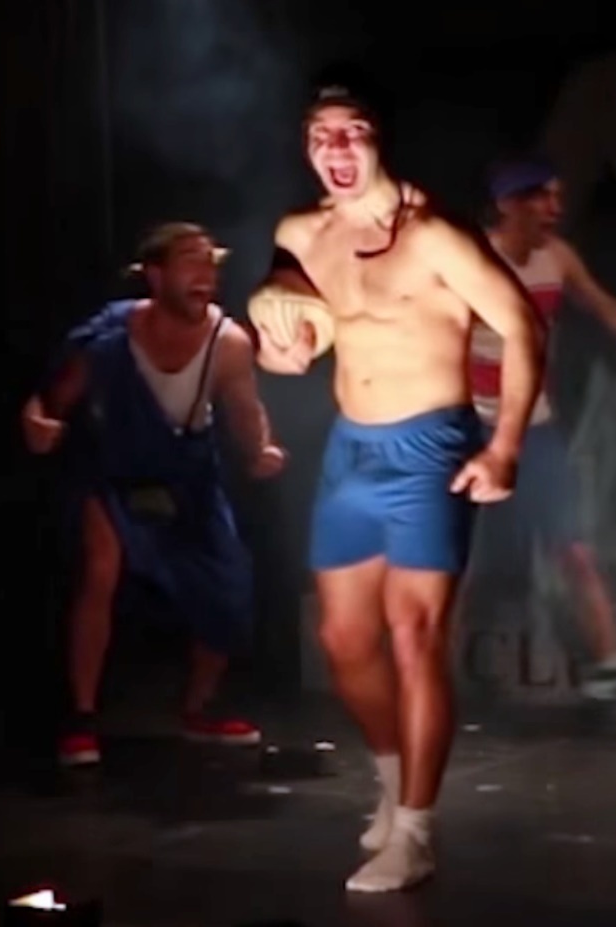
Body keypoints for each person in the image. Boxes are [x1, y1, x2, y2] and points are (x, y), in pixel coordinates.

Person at [250, 76, 544, 892]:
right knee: (343, 640)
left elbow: (522, 325)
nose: (336, 148)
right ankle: (391, 784)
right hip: (352, 448)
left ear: (378, 140)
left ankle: (415, 830)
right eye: (320, 135)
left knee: (413, 633)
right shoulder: (301, 231)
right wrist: (280, 337)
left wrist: (505, 447)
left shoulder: (434, 235)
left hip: (429, 446)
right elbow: (287, 323)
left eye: (352, 131)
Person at [20, 222, 286, 768]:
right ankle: (81, 716)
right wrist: (39, 419)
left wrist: (260, 449)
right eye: (190, 261)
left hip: (187, 474)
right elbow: (55, 396)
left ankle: (198, 708)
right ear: (156, 275)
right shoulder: (112, 336)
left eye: (210, 263)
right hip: (115, 468)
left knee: (228, 586)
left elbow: (244, 411)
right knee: (100, 569)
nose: (205, 274)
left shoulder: (228, 342)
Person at [476, 156, 616, 742]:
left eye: (559, 198)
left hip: (537, 431)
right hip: (472, 431)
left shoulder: (557, 257)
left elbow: (600, 304)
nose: (556, 209)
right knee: (452, 565)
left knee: (577, 553)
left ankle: (614, 695)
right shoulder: (471, 261)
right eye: (543, 198)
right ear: (509, 204)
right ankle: (426, 691)